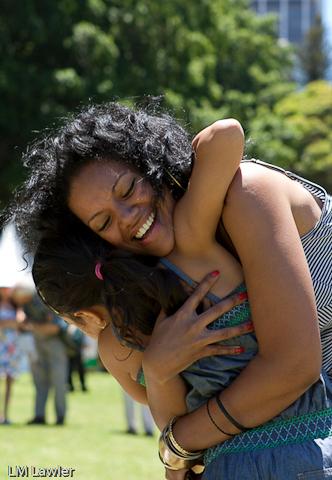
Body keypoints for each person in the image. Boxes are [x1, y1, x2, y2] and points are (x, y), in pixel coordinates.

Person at [2, 101, 332, 476]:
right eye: (104, 221)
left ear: (150, 163)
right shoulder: (168, 276)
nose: (128, 217)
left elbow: (292, 366)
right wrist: (159, 371)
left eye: (128, 190)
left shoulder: (246, 193)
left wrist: (178, 445)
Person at [23, 294, 68, 426]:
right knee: (40, 381)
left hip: (56, 346)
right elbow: (25, 323)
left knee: (58, 382)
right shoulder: (28, 304)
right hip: (39, 345)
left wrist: (34, 326)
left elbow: (54, 328)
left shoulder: (46, 300)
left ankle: (60, 417)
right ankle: (39, 416)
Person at [0, 285, 21, 425]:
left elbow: (21, 322)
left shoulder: (16, 305)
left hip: (12, 347)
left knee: (9, 380)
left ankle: (5, 414)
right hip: (1, 346)